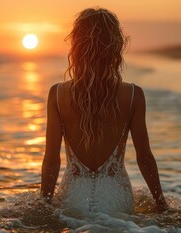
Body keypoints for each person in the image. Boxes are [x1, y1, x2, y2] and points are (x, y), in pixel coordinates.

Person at [41, 7, 168, 216]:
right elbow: (144, 157)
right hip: (116, 196)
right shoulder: (134, 95)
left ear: (76, 46)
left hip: (74, 196)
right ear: (116, 46)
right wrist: (161, 203)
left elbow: (52, 159)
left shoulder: (57, 94)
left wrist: (43, 203)